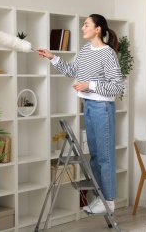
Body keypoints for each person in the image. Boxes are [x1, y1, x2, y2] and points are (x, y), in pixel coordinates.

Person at [38, 14, 123, 214]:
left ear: (98, 29)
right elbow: (71, 71)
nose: (82, 28)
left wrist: (89, 85)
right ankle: (100, 197)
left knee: (105, 157)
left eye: (86, 25)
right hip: (89, 106)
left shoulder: (107, 53)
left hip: (103, 108)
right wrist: (52, 57)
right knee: (94, 156)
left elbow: (116, 87)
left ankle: (109, 201)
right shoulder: (85, 51)